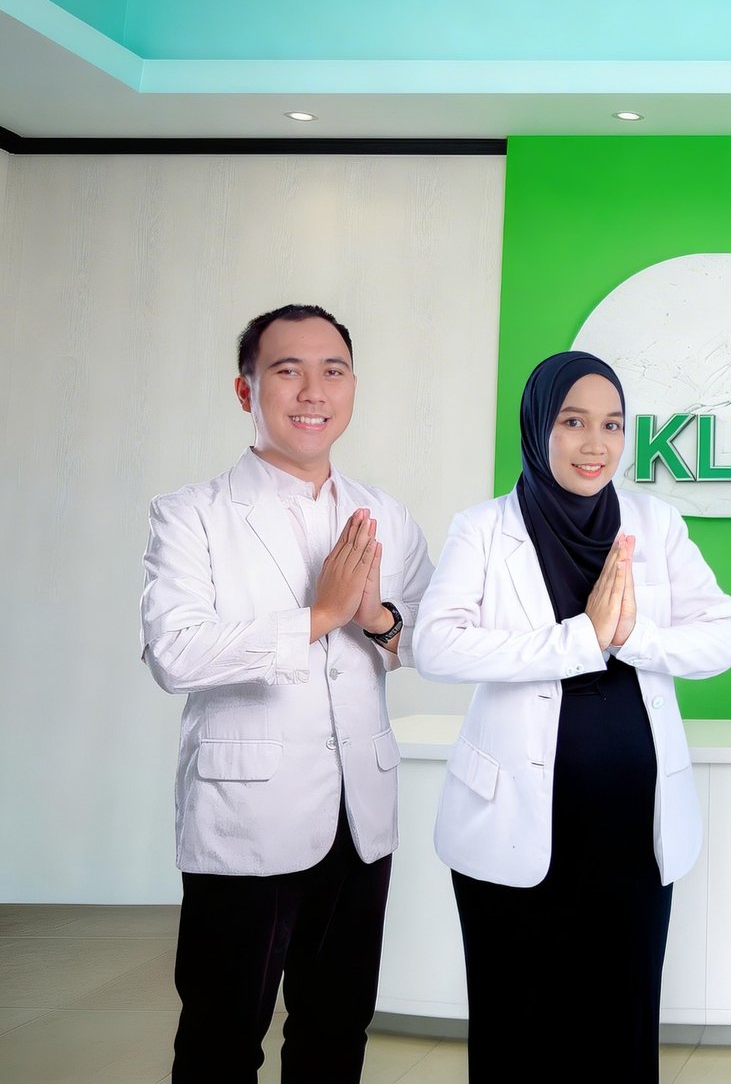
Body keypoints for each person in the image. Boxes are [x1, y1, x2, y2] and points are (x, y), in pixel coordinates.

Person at [413, 351, 731, 1083]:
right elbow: (434, 643)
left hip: (635, 821)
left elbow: (724, 632)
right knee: (515, 1027)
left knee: (621, 1028)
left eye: (614, 425)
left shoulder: (656, 523)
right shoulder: (483, 527)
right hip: (513, 821)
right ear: (539, 426)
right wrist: (579, 640)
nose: (597, 444)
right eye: (573, 421)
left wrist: (633, 636)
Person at [140, 304, 433, 1083]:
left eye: (332, 370)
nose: (313, 389)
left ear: (353, 387)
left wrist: (376, 617)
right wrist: (319, 617)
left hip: (359, 815)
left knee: (338, 1029)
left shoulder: (388, 516)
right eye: (287, 369)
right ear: (246, 391)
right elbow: (173, 650)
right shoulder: (191, 515)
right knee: (221, 1033)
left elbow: (426, 640)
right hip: (247, 817)